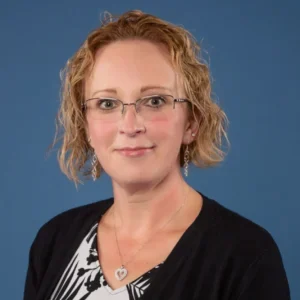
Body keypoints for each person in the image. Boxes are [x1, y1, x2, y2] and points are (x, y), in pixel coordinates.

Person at [23, 10, 290, 300]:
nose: (130, 125)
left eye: (154, 100)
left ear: (192, 122)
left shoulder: (246, 256)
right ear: (85, 125)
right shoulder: (54, 241)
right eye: (107, 103)